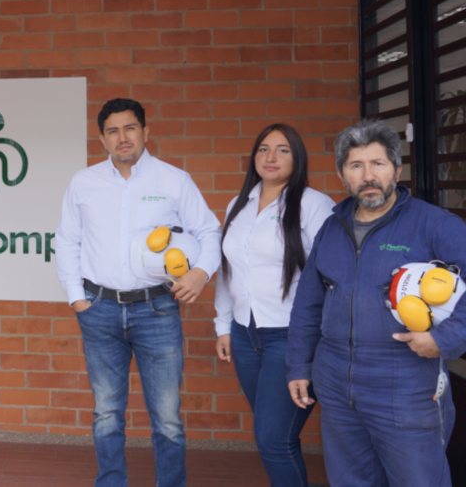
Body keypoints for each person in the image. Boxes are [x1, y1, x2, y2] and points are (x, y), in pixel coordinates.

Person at [287, 119, 466, 486]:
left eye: (378, 164)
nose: (368, 175)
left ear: (396, 171)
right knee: (351, 480)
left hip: (406, 384)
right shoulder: (332, 227)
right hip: (336, 382)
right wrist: (299, 366)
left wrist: (445, 339)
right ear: (342, 175)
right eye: (356, 165)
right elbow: (308, 304)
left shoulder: (434, 224)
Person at [55, 98, 222, 487]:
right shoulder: (83, 183)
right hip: (99, 309)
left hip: (157, 310)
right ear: (102, 139)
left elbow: (209, 231)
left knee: (166, 418)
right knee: (106, 413)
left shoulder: (173, 180)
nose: (122, 138)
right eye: (112, 131)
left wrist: (201, 273)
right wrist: (77, 298)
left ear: (145, 132)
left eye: (130, 128)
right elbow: (66, 240)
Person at [213, 124, 334, 486]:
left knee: (274, 440)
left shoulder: (314, 205)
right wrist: (223, 325)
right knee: (275, 436)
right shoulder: (238, 204)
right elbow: (228, 269)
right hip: (245, 335)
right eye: (264, 148)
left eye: (283, 150)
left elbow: (332, 274)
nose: (271, 157)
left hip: (291, 337)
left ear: (297, 158)